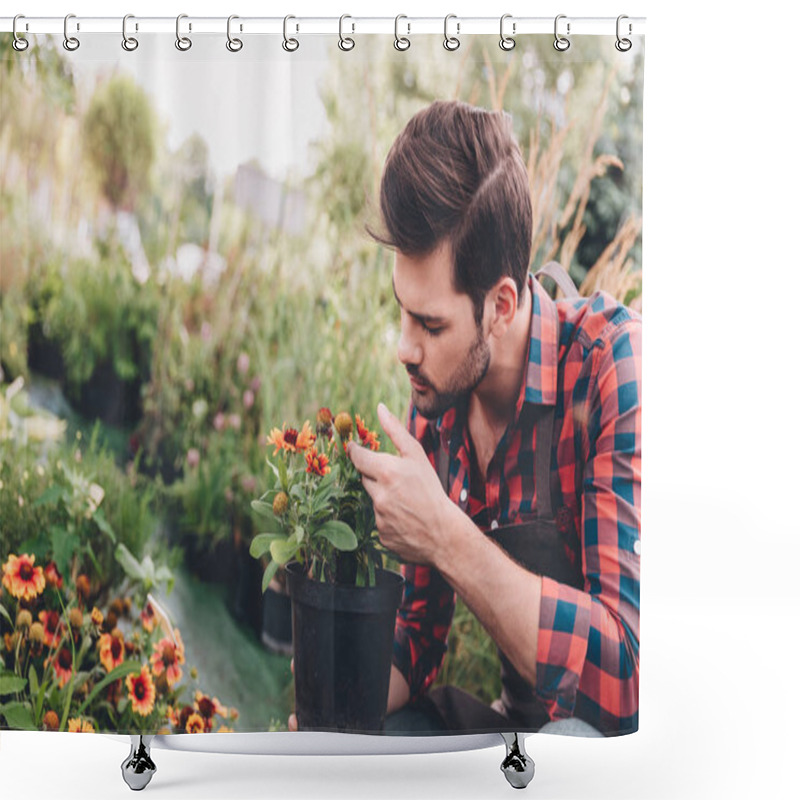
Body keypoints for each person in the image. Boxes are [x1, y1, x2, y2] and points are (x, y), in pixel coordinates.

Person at [345, 100, 641, 738]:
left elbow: (626, 678)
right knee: (377, 739)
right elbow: (415, 637)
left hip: (612, 751)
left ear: (501, 304)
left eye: (431, 324)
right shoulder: (442, 393)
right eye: (403, 311)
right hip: (517, 735)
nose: (405, 348)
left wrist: (445, 536)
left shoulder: (610, 367)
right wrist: (335, 714)